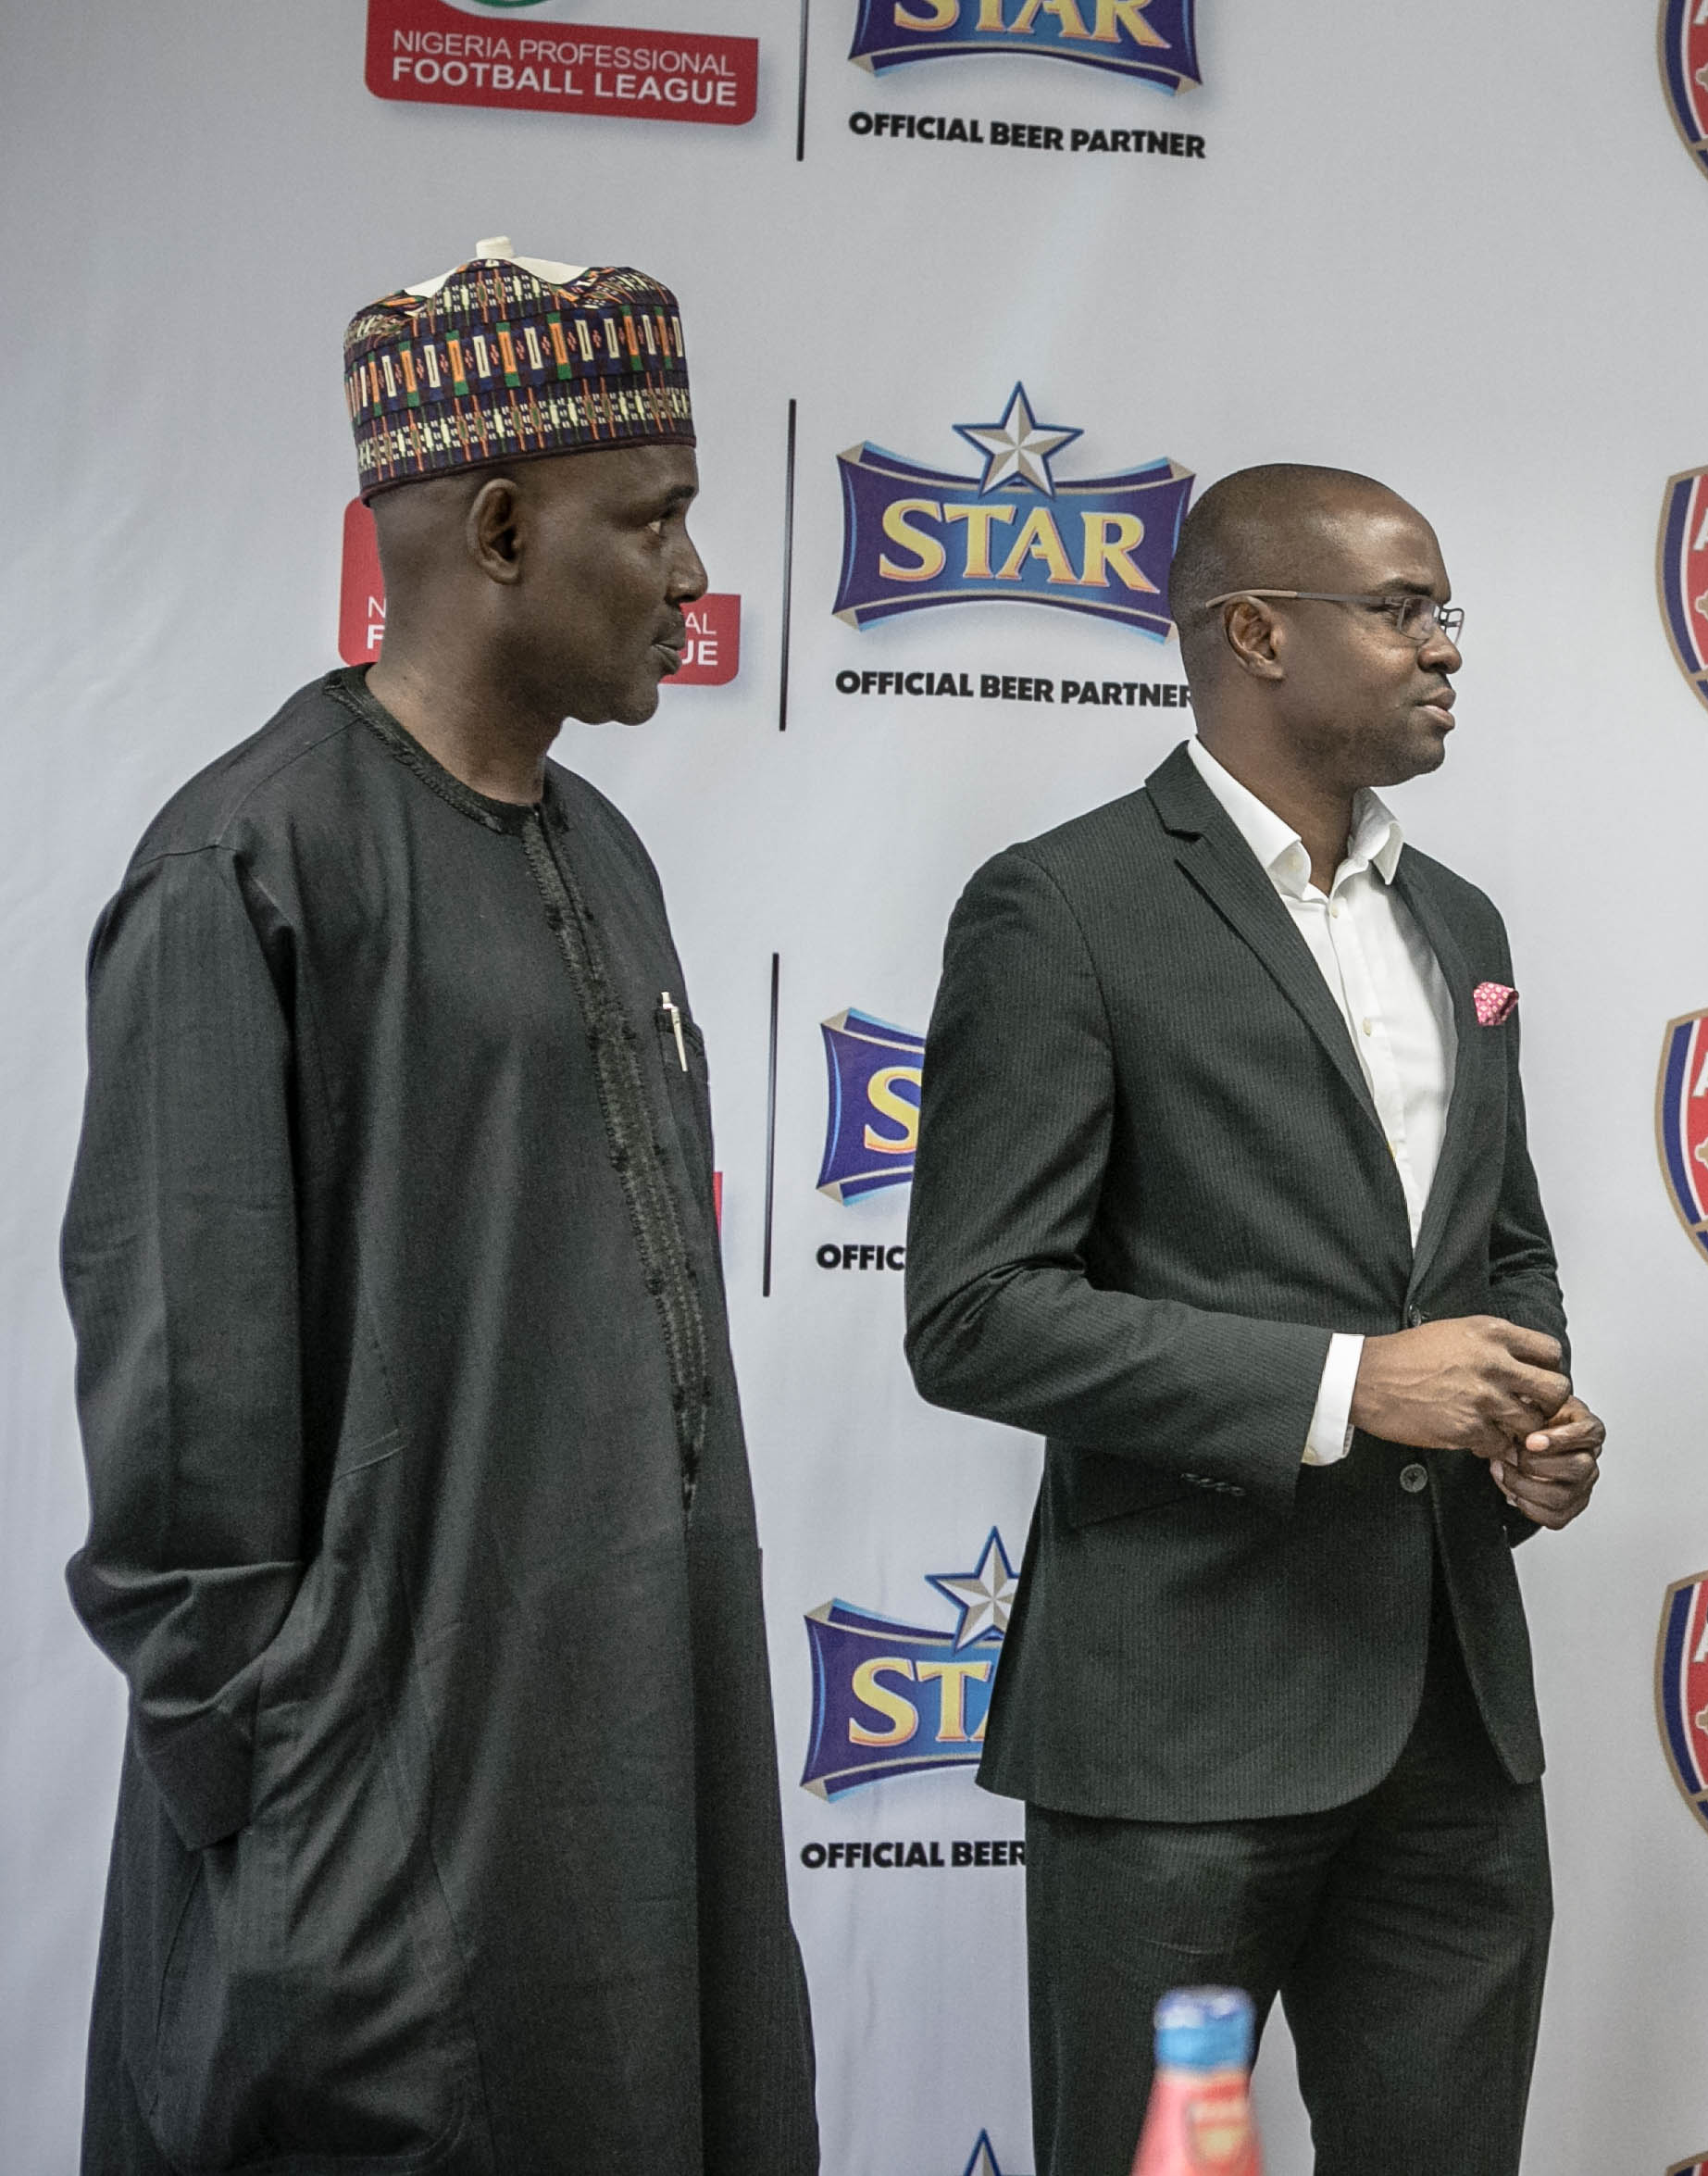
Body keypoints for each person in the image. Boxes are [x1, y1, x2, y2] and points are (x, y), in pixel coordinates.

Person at [63, 242, 817, 2173]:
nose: (694, 576)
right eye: (649, 521)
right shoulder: (248, 867)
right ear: (495, 524)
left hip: (644, 1802)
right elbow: (182, 1472)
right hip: (384, 1873)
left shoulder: (608, 851)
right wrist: (319, 1842)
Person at [903, 463, 1604, 2176]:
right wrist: (1355, 1385)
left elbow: (1495, 1250)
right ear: (1254, 631)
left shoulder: (1465, 923)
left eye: (1448, 612)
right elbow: (977, 1315)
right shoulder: (1060, 904)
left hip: (1451, 1726)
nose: (1446, 649)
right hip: (1177, 1735)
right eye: (1402, 609)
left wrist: (1532, 1418)